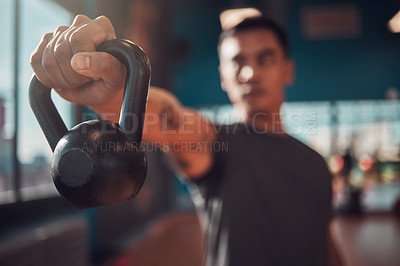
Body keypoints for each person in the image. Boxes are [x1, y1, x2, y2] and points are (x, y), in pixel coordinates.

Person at [31, 14, 342, 266]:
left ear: (287, 70)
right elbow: (174, 121)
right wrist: (116, 97)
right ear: (223, 77)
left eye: (265, 59)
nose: (249, 73)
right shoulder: (221, 143)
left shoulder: (315, 164)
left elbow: (324, 243)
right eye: (237, 62)